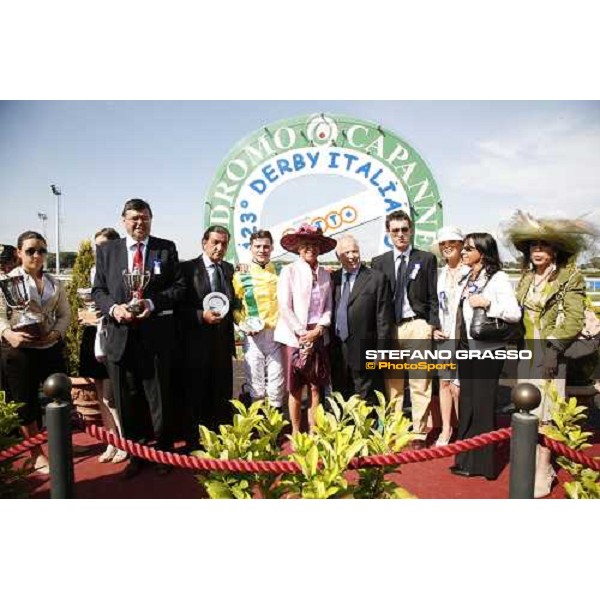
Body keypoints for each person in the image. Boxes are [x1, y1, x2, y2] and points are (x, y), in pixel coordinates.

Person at [92, 199, 186, 478]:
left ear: (151, 219)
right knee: (126, 399)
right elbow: (98, 290)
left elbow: (179, 288)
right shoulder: (107, 251)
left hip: (155, 337)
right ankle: (136, 454)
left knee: (158, 398)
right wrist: (113, 308)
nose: (139, 223)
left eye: (144, 218)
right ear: (123, 220)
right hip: (119, 338)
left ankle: (163, 452)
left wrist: (152, 304)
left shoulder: (165, 248)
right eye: (133, 218)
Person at [505, 211, 594, 497]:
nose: (538, 250)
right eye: (534, 245)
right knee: (526, 409)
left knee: (548, 413)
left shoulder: (570, 276)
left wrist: (554, 351)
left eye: (543, 245)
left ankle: (544, 468)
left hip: (551, 352)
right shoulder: (526, 277)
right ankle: (528, 462)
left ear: (555, 249)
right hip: (527, 353)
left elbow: (573, 318)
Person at [451, 232, 521, 480]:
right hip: (466, 349)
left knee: (482, 406)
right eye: (465, 248)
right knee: (467, 405)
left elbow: (514, 313)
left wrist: (488, 303)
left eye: (469, 248)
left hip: (487, 351)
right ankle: (465, 458)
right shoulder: (467, 276)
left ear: (483, 251)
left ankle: (483, 465)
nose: (464, 252)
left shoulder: (499, 278)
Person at [0, 232, 71, 474]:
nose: (37, 255)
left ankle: (60, 445)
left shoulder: (54, 282)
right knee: (26, 402)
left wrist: (57, 334)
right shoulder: (7, 281)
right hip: (20, 352)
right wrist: (10, 334)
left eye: (41, 250)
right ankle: (36, 453)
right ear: (19, 253)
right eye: (30, 250)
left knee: (60, 398)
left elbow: (65, 314)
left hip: (50, 348)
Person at [371, 209, 440, 447]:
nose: (400, 234)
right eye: (395, 231)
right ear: (389, 234)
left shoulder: (426, 259)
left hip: (418, 326)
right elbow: (376, 301)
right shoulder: (379, 263)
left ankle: (419, 433)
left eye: (404, 230)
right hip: (391, 330)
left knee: (421, 383)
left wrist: (432, 325)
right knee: (393, 384)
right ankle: (393, 430)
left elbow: (433, 296)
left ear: (411, 231)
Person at [176, 225, 235, 447]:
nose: (220, 248)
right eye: (215, 243)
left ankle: (220, 442)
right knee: (196, 395)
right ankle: (194, 443)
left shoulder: (229, 270)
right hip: (195, 346)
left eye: (224, 244)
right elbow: (178, 308)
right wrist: (202, 316)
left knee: (221, 394)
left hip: (222, 344)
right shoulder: (187, 269)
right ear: (204, 243)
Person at [274, 223, 335, 434]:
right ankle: (296, 431)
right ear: (298, 248)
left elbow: (328, 307)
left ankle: (314, 432)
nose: (310, 248)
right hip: (294, 337)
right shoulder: (288, 271)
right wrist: (302, 333)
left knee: (317, 386)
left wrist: (319, 328)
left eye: (315, 244)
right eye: (306, 244)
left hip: (318, 334)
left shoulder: (326, 274)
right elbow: (284, 306)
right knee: (295, 387)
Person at [77, 227, 127, 463]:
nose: (99, 251)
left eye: (104, 246)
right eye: (97, 246)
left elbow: (118, 307)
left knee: (113, 396)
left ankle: (125, 443)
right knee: (101, 397)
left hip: (112, 337)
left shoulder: (121, 271)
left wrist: (96, 317)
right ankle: (111, 441)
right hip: (93, 338)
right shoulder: (94, 271)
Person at [330, 234, 394, 403]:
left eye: (355, 251)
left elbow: (383, 319)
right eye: (346, 253)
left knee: (366, 397)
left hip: (365, 347)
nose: (351, 256)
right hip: (338, 349)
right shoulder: (332, 279)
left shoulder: (376, 279)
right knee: (341, 395)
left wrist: (382, 350)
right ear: (338, 257)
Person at [232, 230, 285, 410]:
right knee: (256, 385)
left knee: (277, 385)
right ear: (251, 248)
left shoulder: (280, 270)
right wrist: (243, 324)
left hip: (277, 336)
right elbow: (235, 306)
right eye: (258, 247)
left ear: (272, 248)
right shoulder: (241, 273)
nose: (262, 250)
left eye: (266, 246)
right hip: (253, 336)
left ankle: (274, 428)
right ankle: (255, 428)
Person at [432, 226, 470, 446]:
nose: (447, 247)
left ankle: (463, 431)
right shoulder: (440, 274)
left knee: (460, 386)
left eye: (452, 243)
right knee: (445, 383)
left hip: (464, 338)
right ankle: (446, 430)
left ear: (460, 245)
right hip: (444, 337)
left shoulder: (471, 272)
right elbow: (436, 305)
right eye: (443, 244)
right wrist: (434, 328)